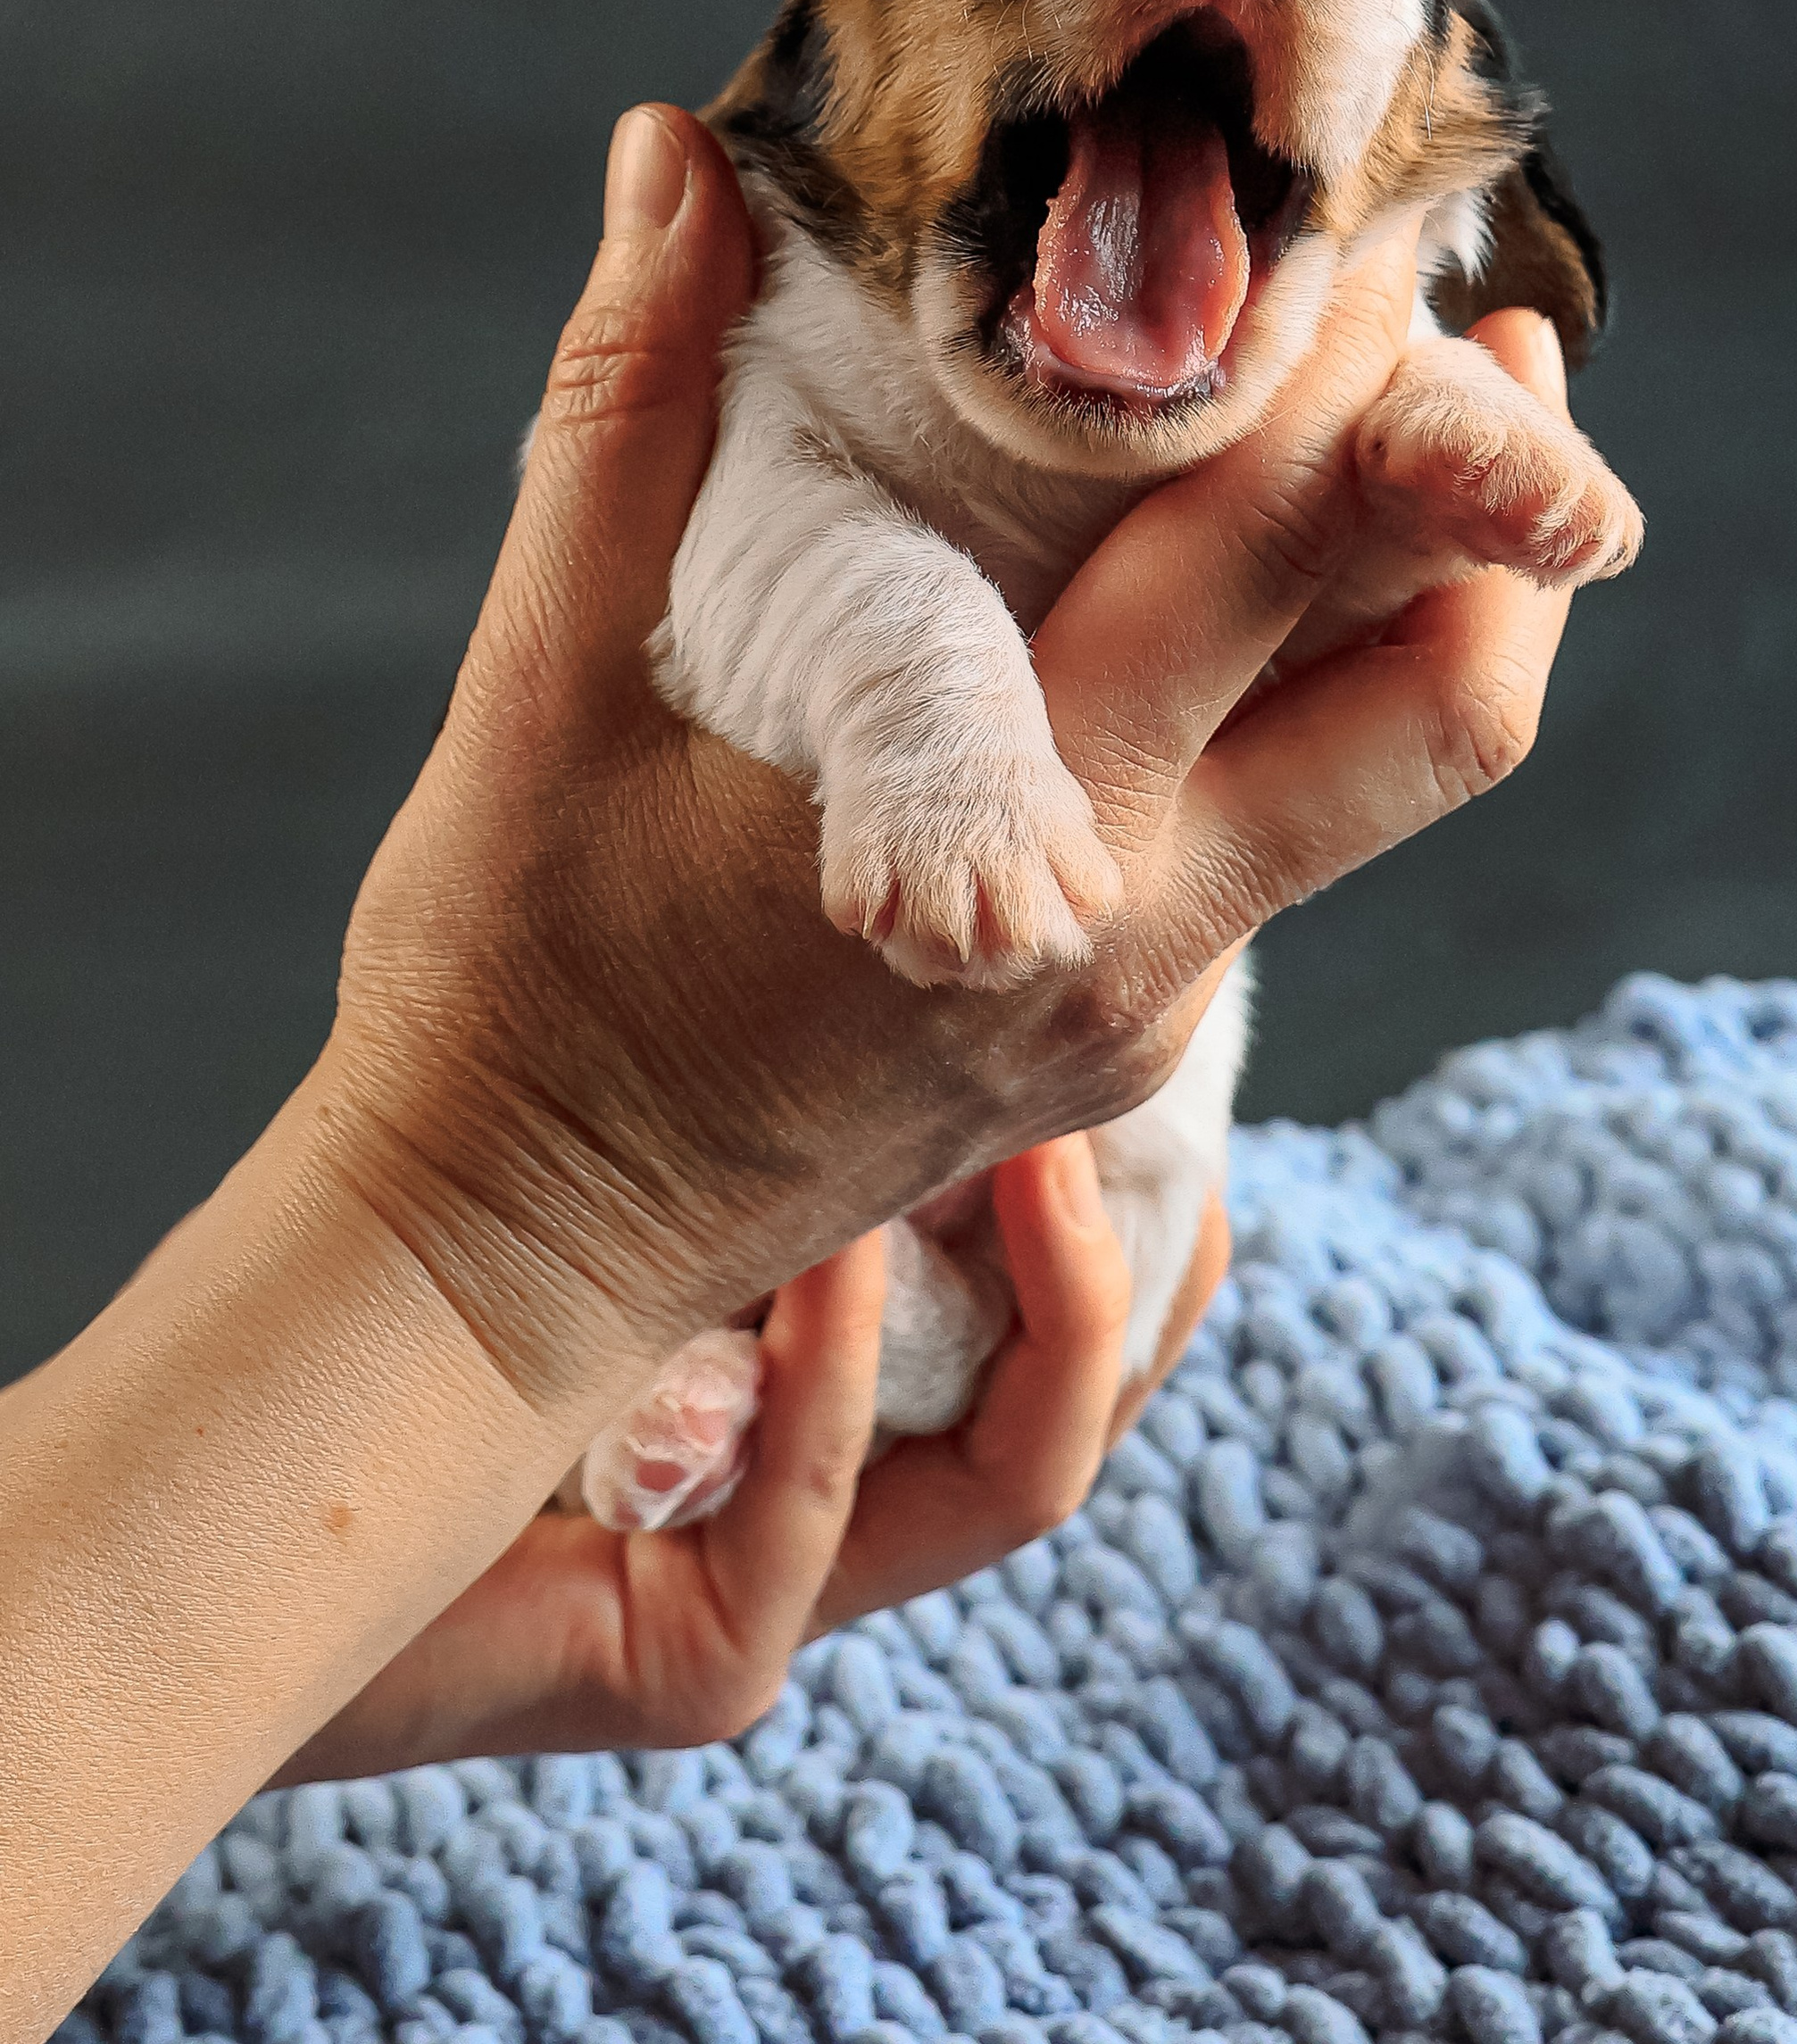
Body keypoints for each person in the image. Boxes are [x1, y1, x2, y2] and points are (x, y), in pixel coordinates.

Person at [0, 104, 1585, 2040]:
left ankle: (776, 1353)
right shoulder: (856, 332)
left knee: (1062, 1266)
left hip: (1034, 1192)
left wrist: (368, 1571)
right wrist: (532, 1217)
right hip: (807, 1100)